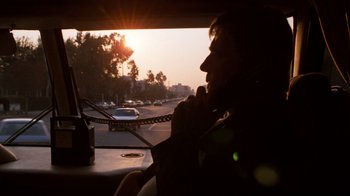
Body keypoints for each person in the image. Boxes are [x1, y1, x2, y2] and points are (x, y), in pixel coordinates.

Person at [115, 5, 293, 196]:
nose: (204, 65)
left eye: (218, 53)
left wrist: (185, 137)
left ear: (257, 66)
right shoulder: (233, 124)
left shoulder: (260, 142)